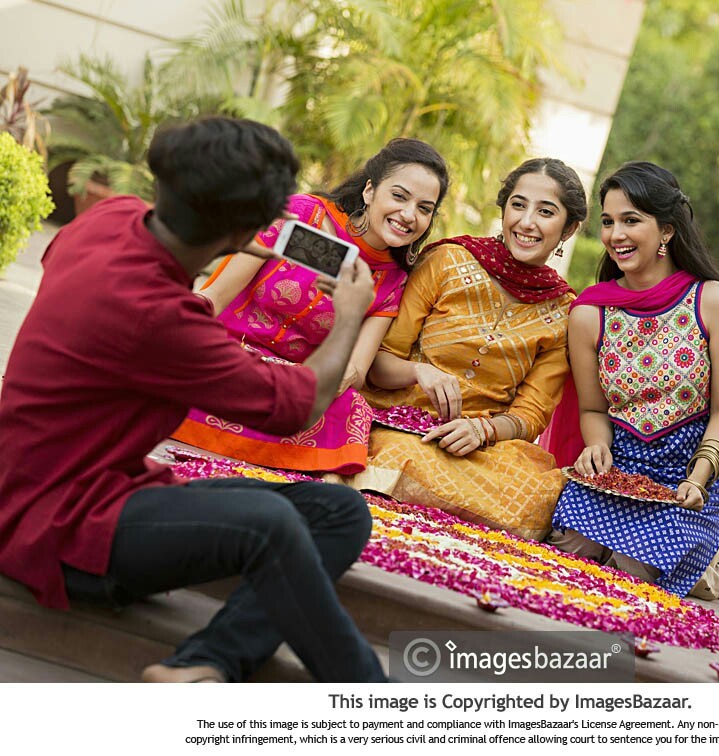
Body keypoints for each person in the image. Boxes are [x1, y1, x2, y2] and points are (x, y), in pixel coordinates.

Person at [0, 117, 388, 682]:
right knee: (270, 522)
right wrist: (349, 316)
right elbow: (295, 406)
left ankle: (206, 662)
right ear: (248, 226)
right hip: (54, 523)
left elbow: (112, 293)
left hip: (95, 482)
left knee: (340, 511)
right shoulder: (159, 318)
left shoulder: (108, 218)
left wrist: (235, 239)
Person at [171, 138, 449, 474]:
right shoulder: (303, 216)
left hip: (293, 384)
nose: (408, 215)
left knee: (350, 408)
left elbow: (357, 370)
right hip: (228, 353)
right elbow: (216, 297)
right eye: (399, 196)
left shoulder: (393, 279)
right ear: (370, 191)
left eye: (424, 208)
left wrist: (313, 385)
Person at [547, 161, 719, 603]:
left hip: (687, 482)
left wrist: (698, 479)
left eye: (631, 220)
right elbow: (592, 408)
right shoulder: (590, 313)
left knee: (640, 566)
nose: (615, 235)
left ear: (667, 230)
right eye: (608, 222)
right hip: (616, 476)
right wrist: (596, 446)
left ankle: (710, 550)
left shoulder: (714, 302)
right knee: (565, 548)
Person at [359, 158, 587, 541]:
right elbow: (377, 361)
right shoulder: (447, 261)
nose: (526, 222)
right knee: (399, 457)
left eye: (545, 212)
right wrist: (418, 372)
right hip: (397, 422)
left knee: (540, 496)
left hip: (479, 447)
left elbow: (531, 414)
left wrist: (482, 430)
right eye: (518, 205)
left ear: (569, 228)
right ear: (504, 209)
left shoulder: (564, 312)